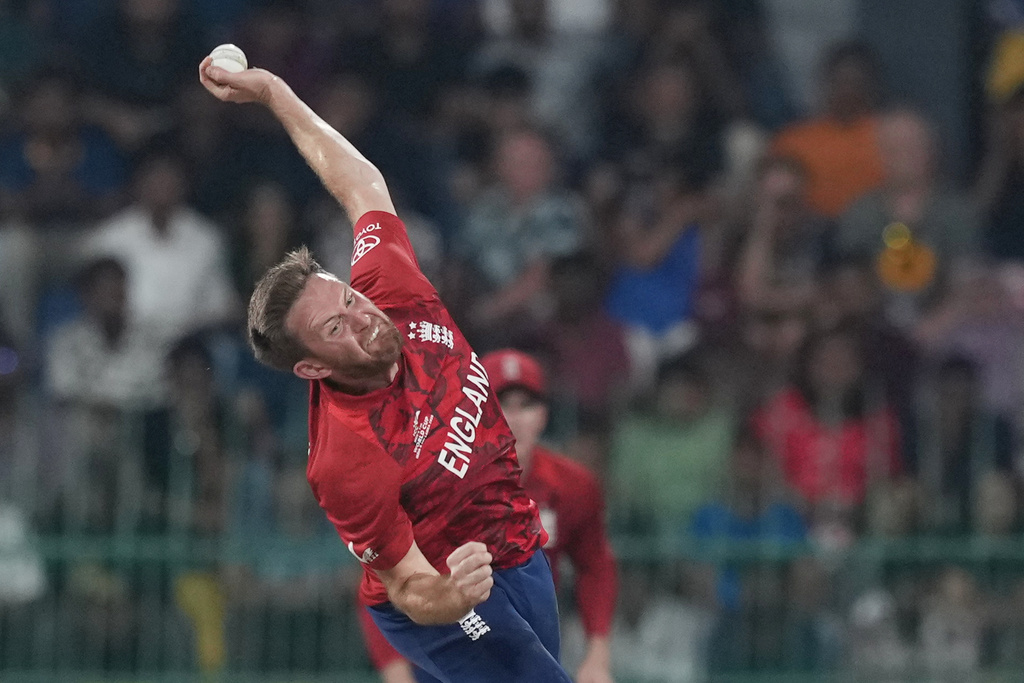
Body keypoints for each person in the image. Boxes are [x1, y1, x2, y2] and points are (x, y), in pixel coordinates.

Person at [198, 58, 571, 682]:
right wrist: (453, 599)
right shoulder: (345, 457)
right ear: (312, 367)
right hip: (443, 590)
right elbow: (404, 581)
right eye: (335, 327)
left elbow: (360, 184)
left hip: (516, 548)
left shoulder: (392, 287)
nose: (362, 316)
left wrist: (274, 92)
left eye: (347, 297)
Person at [358, 349, 619, 683]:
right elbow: (383, 579)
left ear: (544, 415)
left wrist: (597, 656)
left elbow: (596, 565)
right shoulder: (430, 484)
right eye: (502, 404)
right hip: (446, 657)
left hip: (528, 650)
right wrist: (395, 672)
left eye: (527, 405)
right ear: (473, 412)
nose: (515, 418)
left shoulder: (574, 486)